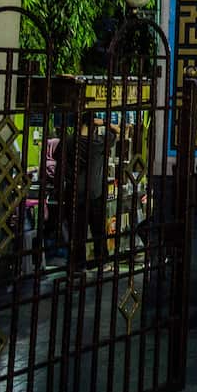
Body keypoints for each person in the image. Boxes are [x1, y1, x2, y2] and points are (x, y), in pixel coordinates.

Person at [60, 111, 119, 273]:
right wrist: (105, 123)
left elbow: (59, 158)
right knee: (98, 229)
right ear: (94, 124)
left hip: (74, 192)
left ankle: (78, 265)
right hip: (95, 193)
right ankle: (102, 262)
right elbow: (118, 131)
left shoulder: (69, 142)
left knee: (77, 232)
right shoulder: (99, 143)